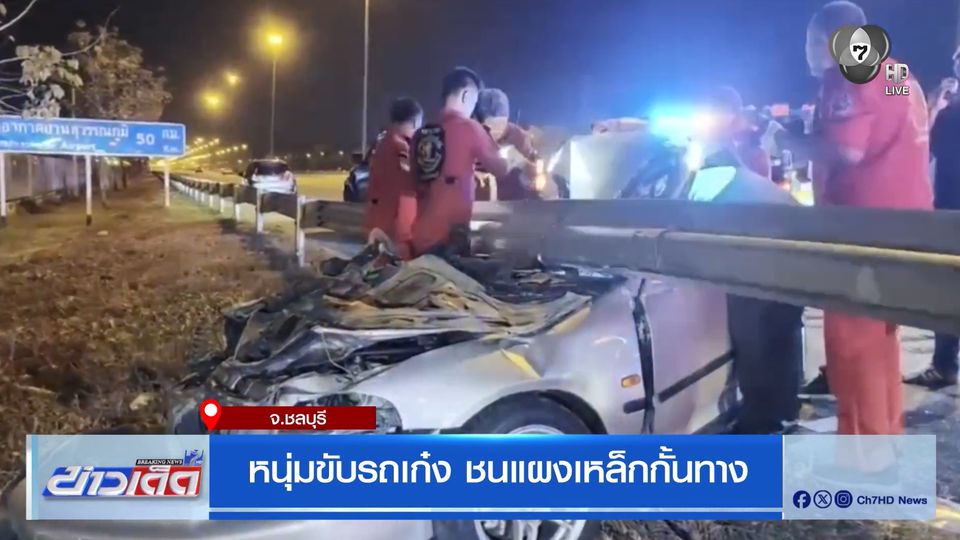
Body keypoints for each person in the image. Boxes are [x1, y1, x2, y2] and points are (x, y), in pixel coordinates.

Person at [776, 1, 933, 435]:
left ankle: (866, 453)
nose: (807, 51)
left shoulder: (845, 75)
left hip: (861, 230)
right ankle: (888, 435)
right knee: (882, 340)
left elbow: (847, 151)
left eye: (811, 41)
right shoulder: (896, 72)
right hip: (908, 227)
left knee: (851, 346)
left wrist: (789, 141)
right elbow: (896, 127)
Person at [690, 96, 805, 434]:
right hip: (787, 243)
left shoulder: (717, 167)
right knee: (779, 331)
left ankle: (764, 419)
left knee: (755, 333)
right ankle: (782, 408)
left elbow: (691, 210)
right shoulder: (736, 156)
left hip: (763, 251)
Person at [411, 67, 530, 257]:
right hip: (449, 239)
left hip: (419, 237)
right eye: (474, 102)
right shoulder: (469, 128)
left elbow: (415, 182)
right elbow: (499, 168)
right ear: (466, 95)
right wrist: (514, 158)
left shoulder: (420, 135)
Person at [904, 46, 960, 389]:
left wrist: (937, 105)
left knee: (947, 292)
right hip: (948, 209)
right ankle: (944, 363)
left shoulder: (950, 115)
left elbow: (925, 144)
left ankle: (944, 364)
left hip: (951, 214)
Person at [363, 97, 423, 259]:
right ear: (415, 121)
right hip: (397, 225)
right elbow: (411, 181)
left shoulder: (382, 144)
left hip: (376, 219)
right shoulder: (401, 147)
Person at [474, 88, 540, 200]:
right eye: (488, 126)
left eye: (499, 124)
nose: (493, 131)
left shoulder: (519, 138)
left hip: (510, 202)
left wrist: (525, 169)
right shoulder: (469, 134)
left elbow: (533, 178)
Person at [700, 86, 772, 180]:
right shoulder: (710, 143)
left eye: (721, 109)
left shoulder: (755, 153)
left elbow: (760, 183)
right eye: (714, 109)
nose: (716, 115)